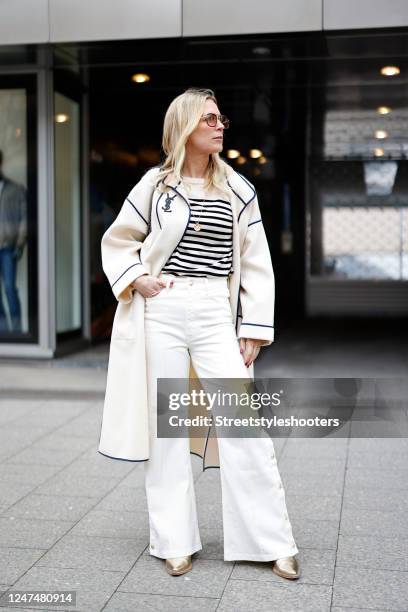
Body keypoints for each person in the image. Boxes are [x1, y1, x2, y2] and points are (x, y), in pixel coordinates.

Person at [99, 87, 300, 579]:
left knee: (243, 426)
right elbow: (119, 240)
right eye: (210, 118)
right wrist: (135, 278)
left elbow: (256, 263)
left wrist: (253, 326)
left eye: (221, 118)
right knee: (167, 429)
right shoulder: (154, 186)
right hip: (163, 309)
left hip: (214, 310)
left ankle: (271, 541)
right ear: (185, 126)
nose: (220, 125)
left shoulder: (238, 189)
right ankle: (173, 541)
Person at [0, 149, 27, 333]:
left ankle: (17, 333)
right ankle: (3, 331)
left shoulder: (15, 189)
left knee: (10, 289)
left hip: (8, 248)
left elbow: (25, 218)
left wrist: (20, 244)